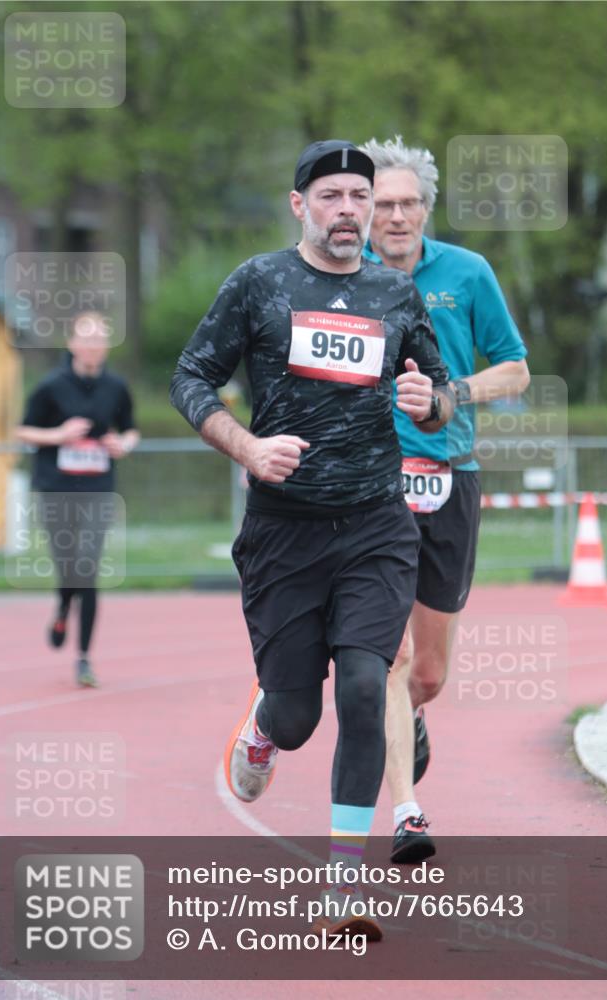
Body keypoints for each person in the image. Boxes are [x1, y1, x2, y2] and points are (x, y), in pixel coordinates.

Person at [170, 140, 454, 938]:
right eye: (329, 196)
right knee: (297, 717)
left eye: (358, 197)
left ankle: (342, 889)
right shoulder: (259, 283)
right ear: (300, 205)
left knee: (366, 685)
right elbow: (189, 377)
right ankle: (263, 728)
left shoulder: (395, 293)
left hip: (374, 526)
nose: (347, 211)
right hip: (283, 534)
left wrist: (426, 398)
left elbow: (437, 400)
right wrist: (247, 447)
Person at [359, 136, 530, 862]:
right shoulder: (339, 276)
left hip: (449, 475)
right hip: (369, 481)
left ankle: (410, 719)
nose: (395, 217)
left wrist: (453, 392)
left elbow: (516, 370)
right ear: (362, 212)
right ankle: (406, 812)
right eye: (382, 204)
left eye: (407, 204)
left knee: (427, 673)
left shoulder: (466, 272)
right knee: (389, 657)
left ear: (425, 208)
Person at [15, 312, 139, 687]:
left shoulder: (116, 387)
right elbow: (23, 431)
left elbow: (130, 430)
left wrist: (123, 445)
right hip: (55, 488)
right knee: (68, 565)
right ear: (71, 344)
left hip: (98, 489)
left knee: (87, 567)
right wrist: (59, 435)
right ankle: (62, 606)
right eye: (86, 339)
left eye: (100, 339)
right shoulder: (51, 386)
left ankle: (84, 657)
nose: (93, 346)